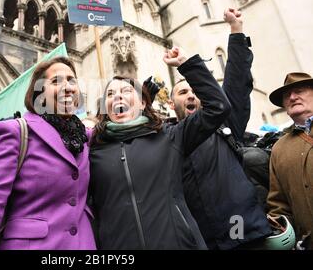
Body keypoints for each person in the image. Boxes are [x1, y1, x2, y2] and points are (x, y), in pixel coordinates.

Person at [89, 47, 232, 249]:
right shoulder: (93, 152)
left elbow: (218, 107)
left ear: (142, 103)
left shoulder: (170, 136)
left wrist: (188, 65)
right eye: (110, 94)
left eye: (126, 91)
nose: (117, 97)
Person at [0, 57, 96, 250]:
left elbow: (122, 128)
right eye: (56, 81)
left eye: (72, 80)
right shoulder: (16, 132)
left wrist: (145, 103)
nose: (68, 87)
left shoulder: (85, 137)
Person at [167, 9, 271, 250]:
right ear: (171, 104)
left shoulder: (225, 124)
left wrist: (237, 31)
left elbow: (238, 79)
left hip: (244, 237)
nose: (191, 94)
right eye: (183, 92)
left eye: (194, 90)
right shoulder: (167, 139)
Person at [267, 72, 313, 250]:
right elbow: (278, 204)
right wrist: (280, 227)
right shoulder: (279, 148)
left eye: (299, 91)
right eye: (287, 95)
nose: (293, 97)